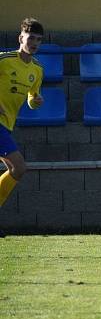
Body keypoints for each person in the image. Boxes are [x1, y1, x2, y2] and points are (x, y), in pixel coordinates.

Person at [0, 18, 45, 238]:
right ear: (21, 38)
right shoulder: (4, 60)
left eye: (38, 39)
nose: (34, 42)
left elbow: (31, 97)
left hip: (6, 125)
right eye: (31, 38)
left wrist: (34, 102)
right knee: (18, 167)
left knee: (17, 169)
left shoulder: (37, 70)